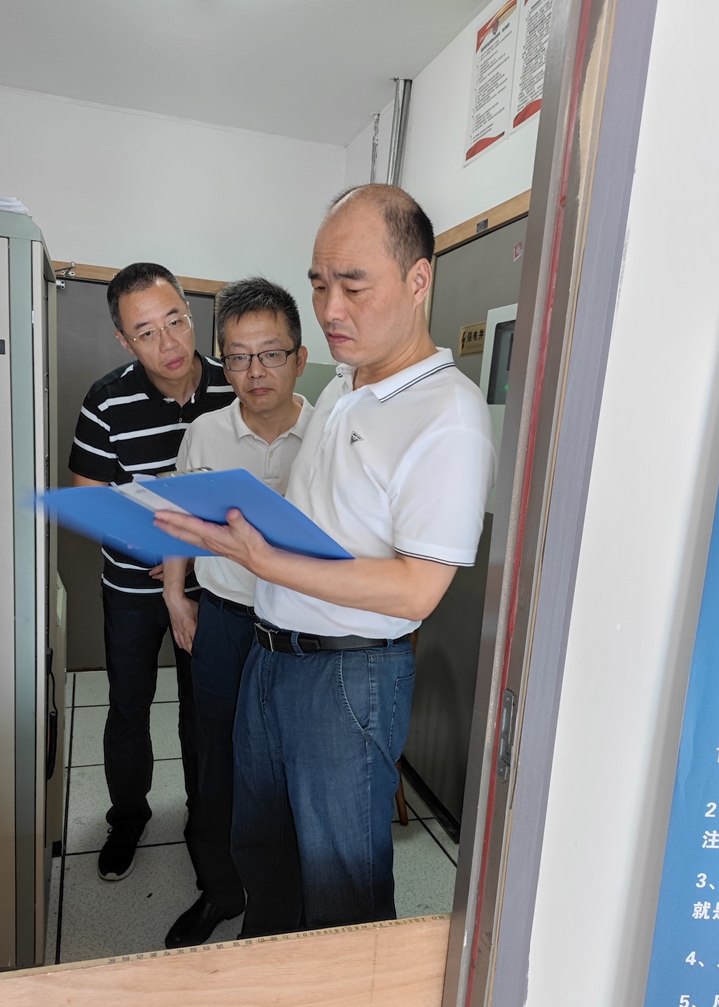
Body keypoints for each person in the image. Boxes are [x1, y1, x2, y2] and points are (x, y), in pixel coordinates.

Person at [155, 185, 497, 935]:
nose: (330, 308)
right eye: (318, 283)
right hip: (270, 658)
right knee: (263, 853)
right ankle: (274, 983)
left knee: (342, 886)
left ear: (418, 278)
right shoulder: (344, 386)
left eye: (353, 285)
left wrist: (265, 560)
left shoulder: (448, 415)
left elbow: (416, 591)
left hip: (347, 677)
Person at [68, 262, 235, 881]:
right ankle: (127, 817)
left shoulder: (231, 384)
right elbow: (90, 501)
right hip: (133, 588)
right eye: (146, 332)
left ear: (192, 315)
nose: (168, 343)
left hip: (215, 587)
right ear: (124, 340)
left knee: (206, 709)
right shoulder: (106, 400)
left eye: (176, 321)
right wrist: (161, 560)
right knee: (129, 706)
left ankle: (205, 820)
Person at [161, 277, 313, 947]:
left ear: (299, 358)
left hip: (304, 628)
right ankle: (221, 890)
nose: (255, 372)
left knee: (291, 767)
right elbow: (178, 519)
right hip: (223, 620)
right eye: (239, 357)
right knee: (215, 759)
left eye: (271, 354)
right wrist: (176, 594)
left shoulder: (331, 434)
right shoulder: (205, 434)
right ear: (222, 362)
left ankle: (282, 906)